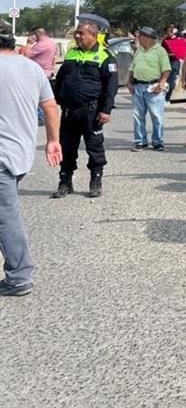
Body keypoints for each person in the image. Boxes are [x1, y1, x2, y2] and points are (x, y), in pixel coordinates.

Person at [0, 20, 62, 297]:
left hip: (2, 155)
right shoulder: (31, 68)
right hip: (20, 154)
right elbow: (49, 105)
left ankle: (19, 275)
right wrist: (52, 140)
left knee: (5, 217)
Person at [52, 20, 118, 198]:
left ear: (93, 35)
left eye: (81, 33)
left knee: (94, 147)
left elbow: (111, 87)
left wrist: (106, 110)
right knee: (67, 146)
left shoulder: (105, 56)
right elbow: (61, 78)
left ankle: (95, 180)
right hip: (69, 110)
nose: (77, 36)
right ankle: (65, 181)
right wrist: (57, 98)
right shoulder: (72, 53)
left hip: (92, 111)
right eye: (76, 33)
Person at [127, 27, 171, 151]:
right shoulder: (139, 50)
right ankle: (140, 141)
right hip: (138, 86)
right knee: (138, 115)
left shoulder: (160, 51)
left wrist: (161, 84)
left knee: (156, 116)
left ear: (147, 38)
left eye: (140, 36)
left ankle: (157, 142)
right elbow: (132, 67)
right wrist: (129, 82)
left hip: (154, 86)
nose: (138, 39)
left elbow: (166, 69)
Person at [161, 25, 186, 102]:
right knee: (165, 80)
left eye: (169, 32)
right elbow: (162, 51)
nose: (167, 33)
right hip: (165, 62)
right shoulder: (164, 40)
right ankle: (163, 97)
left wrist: (169, 54)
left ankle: (167, 97)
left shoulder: (177, 39)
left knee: (172, 82)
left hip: (174, 62)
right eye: (166, 32)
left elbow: (181, 52)